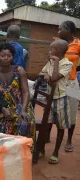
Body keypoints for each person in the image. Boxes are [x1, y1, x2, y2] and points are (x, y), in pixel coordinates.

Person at [40, 40, 73, 164]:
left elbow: (54, 79)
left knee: (60, 127)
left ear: (57, 52)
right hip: (50, 99)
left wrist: (56, 62)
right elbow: (42, 72)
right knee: (46, 125)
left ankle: (55, 153)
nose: (49, 51)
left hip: (61, 99)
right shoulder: (50, 62)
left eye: (51, 49)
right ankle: (41, 149)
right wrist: (45, 75)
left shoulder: (67, 64)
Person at [52, 20, 80, 153]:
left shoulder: (78, 44)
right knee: (56, 110)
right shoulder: (57, 43)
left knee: (73, 110)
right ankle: (54, 135)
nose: (58, 31)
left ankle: (68, 140)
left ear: (68, 30)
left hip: (72, 83)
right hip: (58, 81)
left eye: (60, 28)